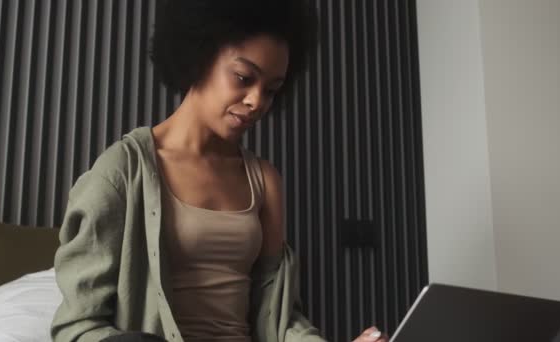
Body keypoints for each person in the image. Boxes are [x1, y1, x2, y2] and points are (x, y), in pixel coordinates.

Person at [51, 1, 388, 341]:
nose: (257, 100)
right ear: (200, 56)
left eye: (270, 90)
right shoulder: (121, 171)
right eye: (244, 78)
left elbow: (278, 315)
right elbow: (77, 326)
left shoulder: (265, 181)